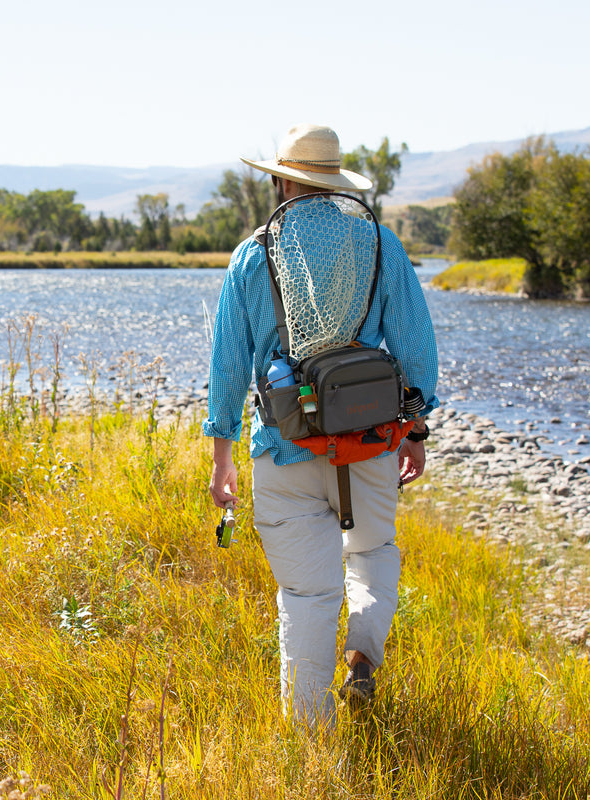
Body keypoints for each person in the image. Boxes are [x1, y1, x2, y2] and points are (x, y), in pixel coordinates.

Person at [203, 123, 438, 727]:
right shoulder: (380, 244)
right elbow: (416, 349)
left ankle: (311, 746)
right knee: (374, 552)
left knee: (307, 598)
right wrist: (414, 430)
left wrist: (221, 457)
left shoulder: (254, 254)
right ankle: (362, 653)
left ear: (282, 181)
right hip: (370, 445)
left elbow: (229, 364)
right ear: (334, 182)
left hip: (284, 449)